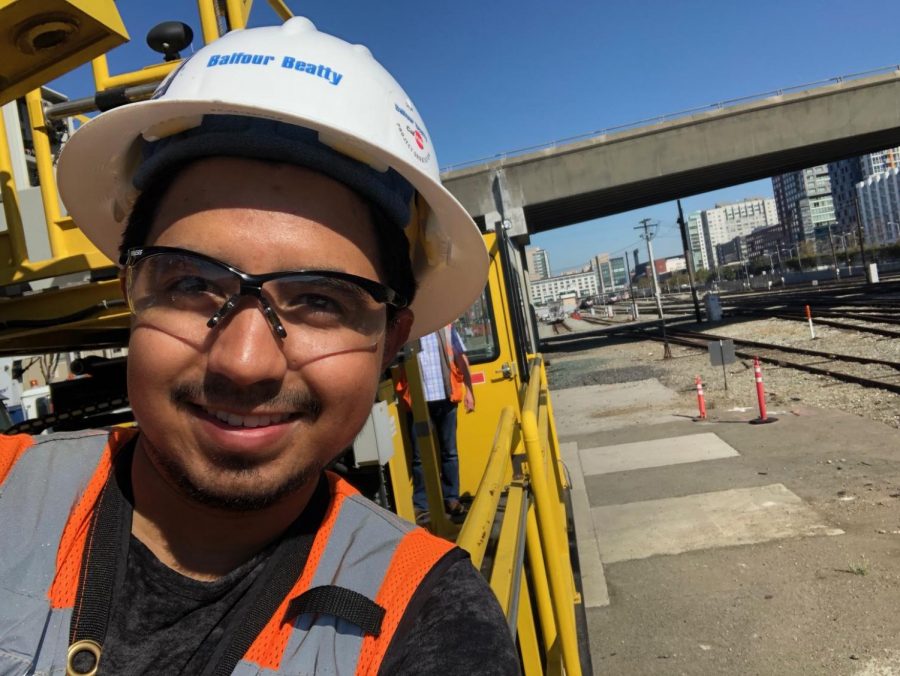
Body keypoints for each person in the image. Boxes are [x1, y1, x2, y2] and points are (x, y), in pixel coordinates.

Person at [0, 18, 519, 676]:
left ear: (389, 340)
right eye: (190, 283)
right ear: (133, 286)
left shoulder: (429, 623)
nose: (244, 363)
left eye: (321, 300)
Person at [412, 324, 475, 524]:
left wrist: (470, 391)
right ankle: (421, 505)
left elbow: (461, 357)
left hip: (446, 398)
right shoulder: (408, 329)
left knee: (450, 452)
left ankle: (452, 499)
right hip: (417, 401)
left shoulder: (447, 327)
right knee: (419, 456)